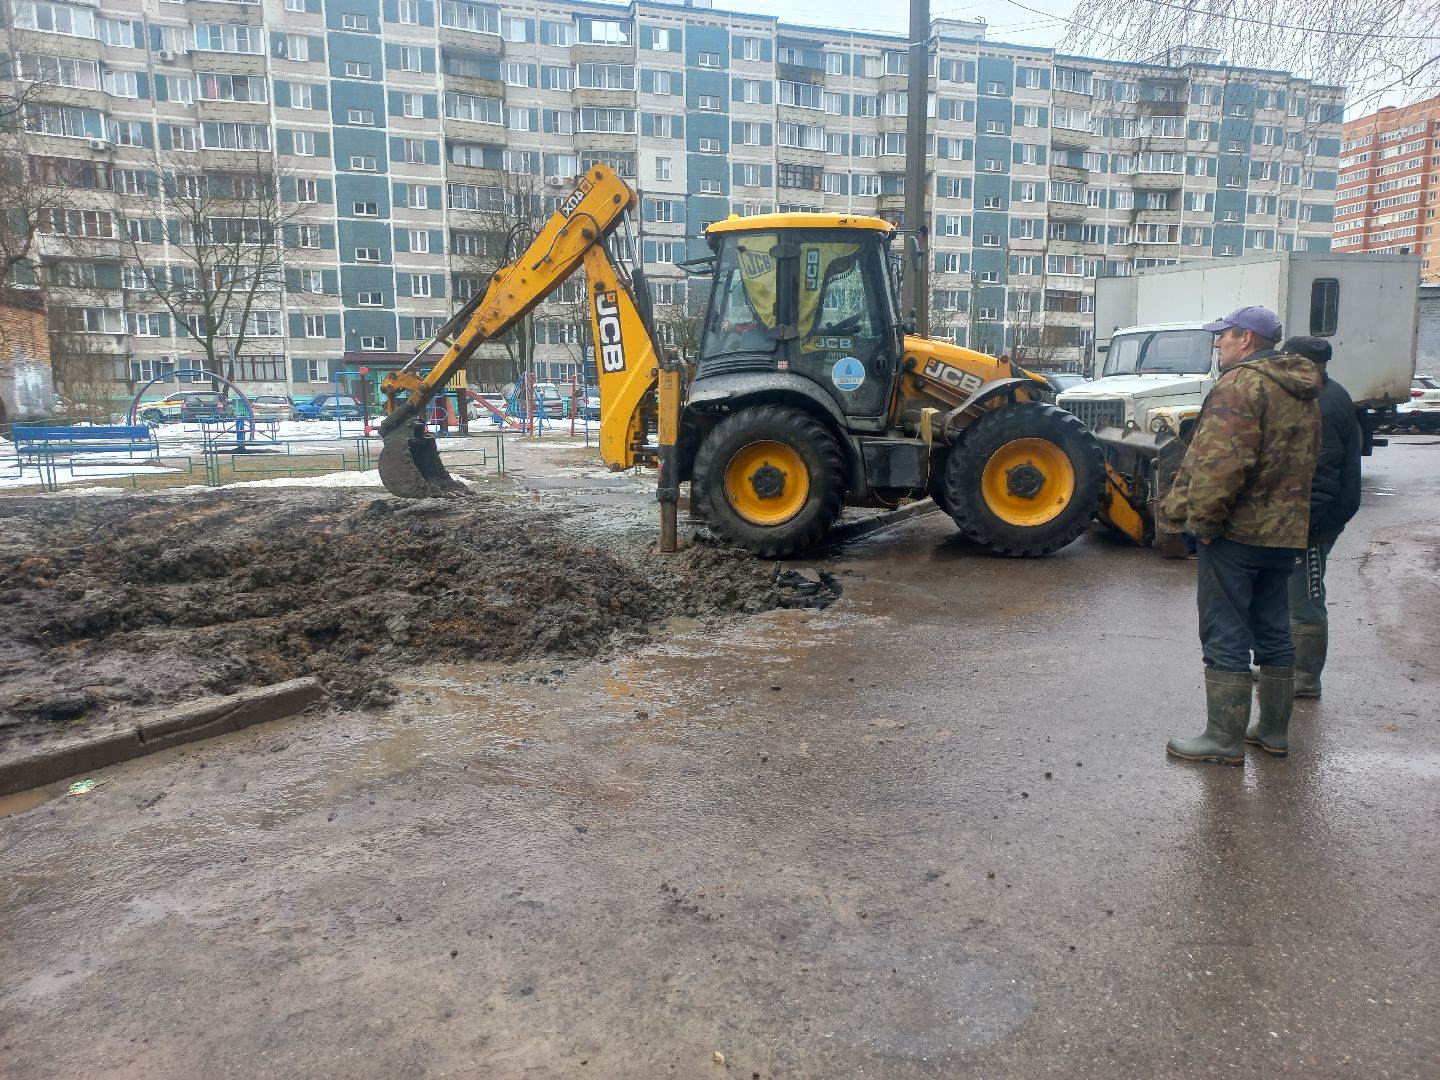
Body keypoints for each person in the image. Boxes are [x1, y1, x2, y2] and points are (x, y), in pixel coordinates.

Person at [1161, 306, 1322, 764]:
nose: (1218, 344)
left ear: (1246, 339)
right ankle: (1272, 732)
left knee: (1225, 629)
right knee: (1273, 628)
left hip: (1237, 534)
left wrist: (1204, 525)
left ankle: (1223, 739)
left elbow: (1221, 465)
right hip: (1285, 533)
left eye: (1224, 337)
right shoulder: (1305, 390)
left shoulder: (1240, 385)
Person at [1271, 335, 1362, 701]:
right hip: (1309, 515)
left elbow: (1322, 475)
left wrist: (1308, 527)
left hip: (1315, 519)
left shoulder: (1325, 404)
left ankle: (1305, 676)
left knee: (1306, 594)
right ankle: (1288, 668)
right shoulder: (1323, 394)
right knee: (1291, 593)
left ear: (1305, 366)